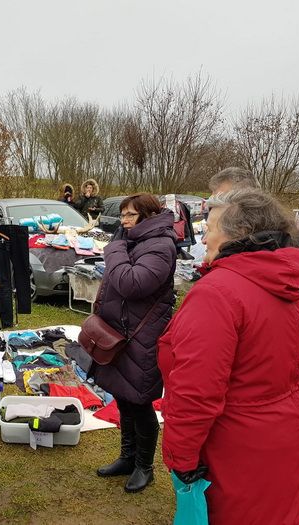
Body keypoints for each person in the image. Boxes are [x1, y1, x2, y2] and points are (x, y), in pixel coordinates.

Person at [158, 189, 299, 524]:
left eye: (210, 227)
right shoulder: (291, 279)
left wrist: (181, 458)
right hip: (286, 430)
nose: (204, 236)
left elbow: (196, 391)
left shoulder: (218, 293)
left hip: (234, 444)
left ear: (237, 234)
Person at [91, 193, 177, 493]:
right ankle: (127, 457)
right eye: (123, 215)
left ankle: (144, 466)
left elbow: (131, 283)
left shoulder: (160, 245)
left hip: (143, 336)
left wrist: (114, 249)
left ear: (148, 216)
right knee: (123, 397)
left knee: (139, 403)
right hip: (122, 332)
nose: (124, 221)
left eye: (130, 215)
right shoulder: (135, 241)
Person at [209, 167, 299, 337]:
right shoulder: (235, 234)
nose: (216, 203)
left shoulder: (283, 235)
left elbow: (298, 285)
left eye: (223, 196)